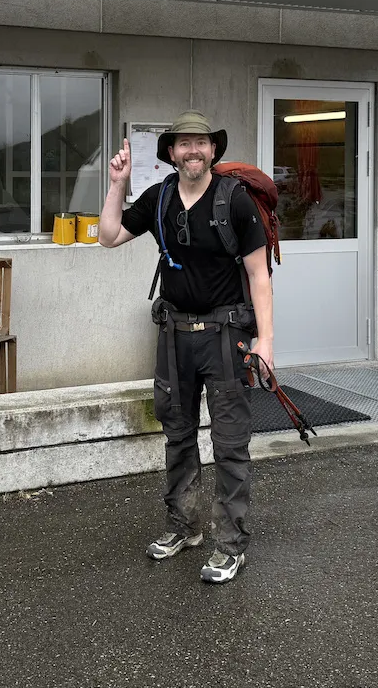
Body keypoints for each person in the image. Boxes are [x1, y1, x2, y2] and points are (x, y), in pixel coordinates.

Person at [99, 111, 274, 584]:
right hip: (174, 336)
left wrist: (266, 342)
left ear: (212, 150)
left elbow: (260, 276)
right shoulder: (158, 199)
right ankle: (185, 525)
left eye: (200, 142)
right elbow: (109, 236)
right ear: (171, 154)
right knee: (177, 435)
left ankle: (231, 544)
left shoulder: (235, 201)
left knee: (229, 443)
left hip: (225, 336)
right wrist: (117, 184)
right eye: (183, 144)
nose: (192, 150)